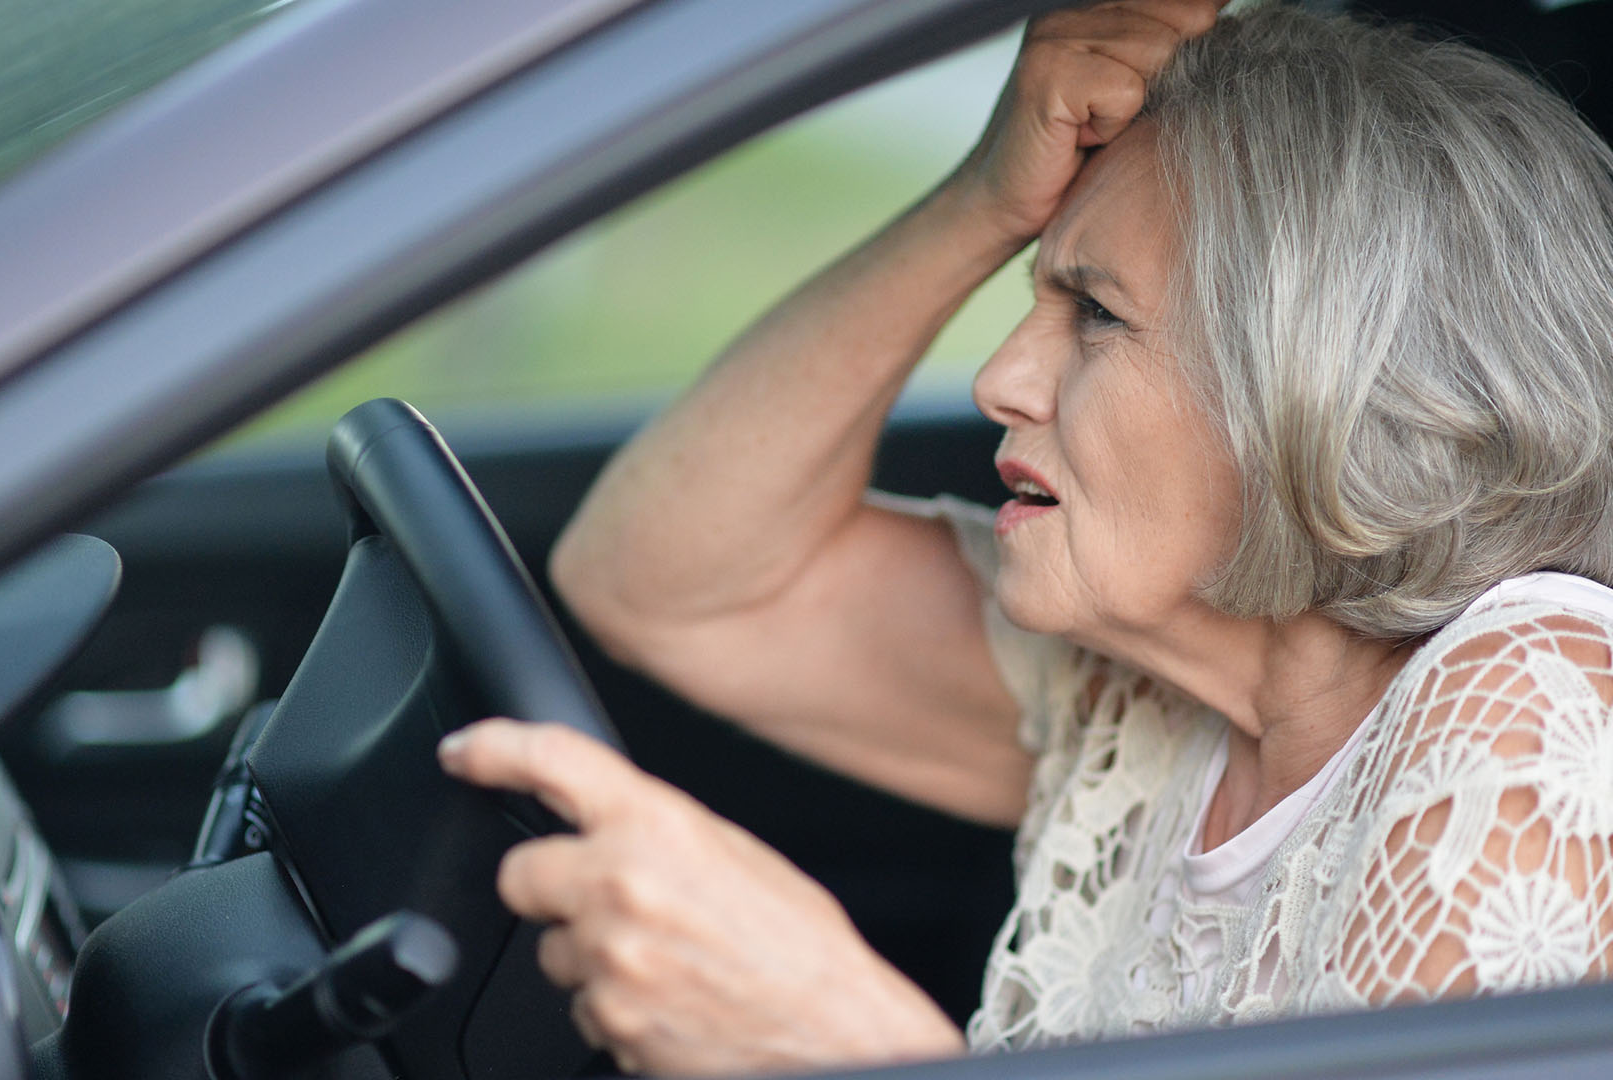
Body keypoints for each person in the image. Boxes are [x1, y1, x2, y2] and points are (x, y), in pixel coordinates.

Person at [436, 1, 1613, 1073]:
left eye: (1094, 315)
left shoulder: (1528, 707)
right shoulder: (1148, 701)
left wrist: (843, 1040)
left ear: (1323, 389)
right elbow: (659, 580)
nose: (1003, 378)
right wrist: (982, 200)